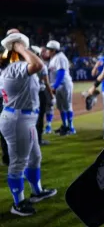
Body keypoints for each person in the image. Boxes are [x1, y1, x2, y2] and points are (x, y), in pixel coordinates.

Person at [0, 30, 57, 216]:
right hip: (18, 120)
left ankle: (37, 191)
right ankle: (18, 203)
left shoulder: (13, 68)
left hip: (23, 118)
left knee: (35, 157)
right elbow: (38, 64)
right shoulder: (15, 68)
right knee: (19, 162)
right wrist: (18, 46)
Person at [46, 40, 75, 136]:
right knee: (61, 107)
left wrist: (54, 86)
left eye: (49, 49)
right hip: (58, 85)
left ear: (54, 50)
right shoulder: (54, 58)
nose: (47, 51)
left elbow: (61, 73)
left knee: (67, 106)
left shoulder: (60, 57)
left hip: (64, 85)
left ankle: (71, 127)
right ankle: (65, 126)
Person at [30, 46, 53, 145]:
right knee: (39, 117)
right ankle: (38, 140)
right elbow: (47, 83)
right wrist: (51, 95)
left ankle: (31, 139)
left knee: (30, 117)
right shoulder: (42, 65)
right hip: (40, 93)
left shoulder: (27, 64)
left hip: (29, 94)